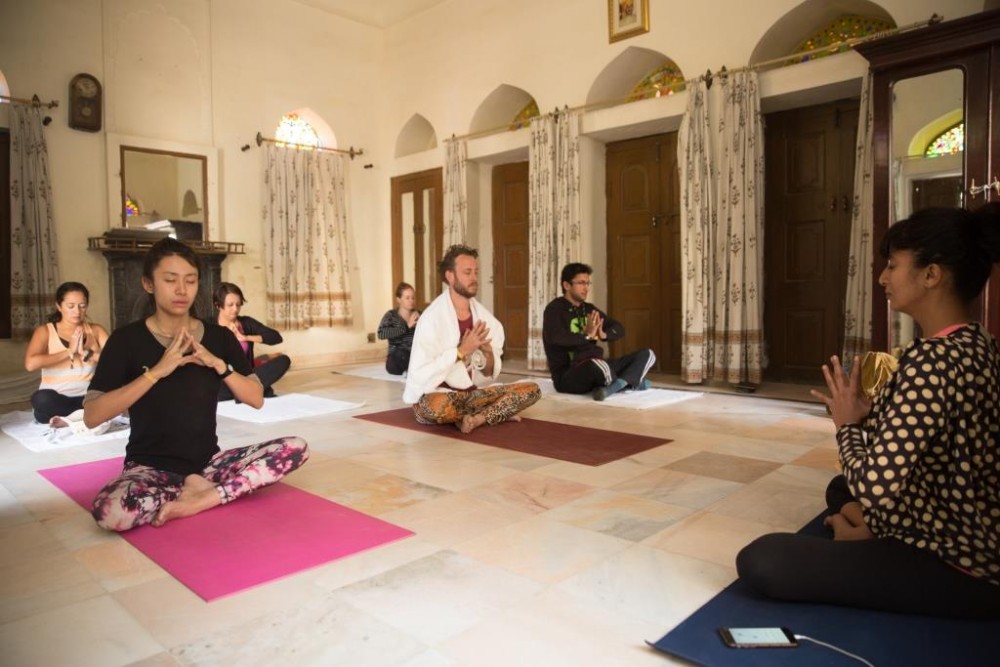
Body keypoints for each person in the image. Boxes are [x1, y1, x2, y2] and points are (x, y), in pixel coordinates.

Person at [736, 205, 1000, 618]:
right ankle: (873, 529)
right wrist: (872, 418)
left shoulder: (931, 361)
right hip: (963, 521)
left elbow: (876, 486)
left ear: (932, 275)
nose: (883, 278)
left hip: (960, 564)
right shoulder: (979, 342)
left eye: (893, 265)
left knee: (764, 559)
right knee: (839, 488)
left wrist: (848, 425)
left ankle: (864, 535)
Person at [83, 238, 309, 532]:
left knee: (295, 448)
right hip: (149, 469)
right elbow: (92, 416)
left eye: (190, 281)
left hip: (209, 464)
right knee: (109, 513)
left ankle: (202, 498)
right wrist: (157, 372)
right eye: (170, 280)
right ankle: (198, 488)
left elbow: (256, 398)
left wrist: (219, 365)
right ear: (149, 284)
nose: (181, 290)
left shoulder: (219, 337)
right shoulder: (126, 340)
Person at [403, 244, 541, 433]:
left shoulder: (485, 320)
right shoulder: (431, 319)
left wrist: (488, 355)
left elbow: (490, 372)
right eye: (467, 272)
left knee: (532, 389)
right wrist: (461, 351)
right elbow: (420, 375)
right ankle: (493, 413)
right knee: (434, 407)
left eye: (476, 272)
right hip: (436, 395)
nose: (474, 278)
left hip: (470, 396)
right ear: (450, 276)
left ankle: (477, 419)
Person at [542, 262, 656, 401]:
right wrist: (587, 335)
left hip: (597, 364)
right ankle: (629, 382)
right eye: (581, 283)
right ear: (566, 285)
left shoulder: (589, 309)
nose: (586, 288)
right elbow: (557, 338)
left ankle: (619, 384)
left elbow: (618, 327)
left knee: (647, 354)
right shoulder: (554, 310)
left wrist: (604, 334)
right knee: (599, 365)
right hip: (568, 375)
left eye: (588, 283)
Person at [24, 282, 110, 424]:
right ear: (59, 306)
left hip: (88, 397)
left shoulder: (96, 330)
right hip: (56, 397)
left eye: (82, 306)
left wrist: (89, 354)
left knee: (118, 391)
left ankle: (69, 418)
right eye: (70, 306)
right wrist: (69, 351)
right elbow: (30, 364)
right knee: (40, 399)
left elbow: (116, 361)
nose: (77, 311)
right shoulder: (45, 331)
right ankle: (82, 416)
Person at [211, 282, 290, 400]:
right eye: (230, 305)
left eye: (238, 304)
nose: (235, 309)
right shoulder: (208, 325)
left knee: (283, 360)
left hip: (246, 377)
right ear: (218, 305)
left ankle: (246, 391)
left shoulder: (246, 323)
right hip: (222, 381)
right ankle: (253, 390)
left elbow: (276, 337)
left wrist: (246, 337)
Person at [377, 282, 420, 375]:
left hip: (415, 355)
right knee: (401, 353)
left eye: (413, 297)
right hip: (397, 357)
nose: (411, 300)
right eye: (407, 298)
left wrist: (421, 326)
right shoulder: (391, 315)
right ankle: (412, 369)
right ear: (399, 299)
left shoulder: (419, 314)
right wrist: (406, 326)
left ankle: (413, 369)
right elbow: (381, 334)